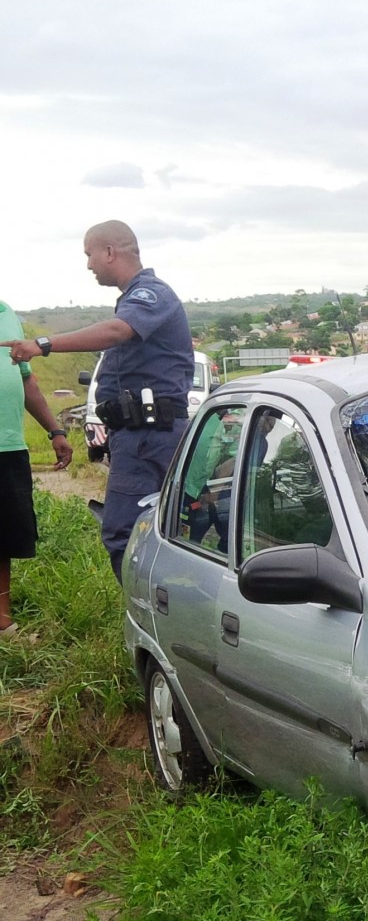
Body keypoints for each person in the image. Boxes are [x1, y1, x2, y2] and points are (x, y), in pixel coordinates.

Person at [1, 221, 193, 580]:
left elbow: (116, 331)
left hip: (146, 435)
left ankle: (147, 623)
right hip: (140, 434)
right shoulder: (135, 297)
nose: (88, 264)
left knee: (126, 534)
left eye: (89, 254)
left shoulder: (150, 293)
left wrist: (42, 345)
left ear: (109, 252)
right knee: (155, 530)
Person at [0, 298, 74, 634]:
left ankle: (2, 621)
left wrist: (54, 430)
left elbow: (25, 379)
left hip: (9, 445)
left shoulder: (8, 315)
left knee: (6, 537)